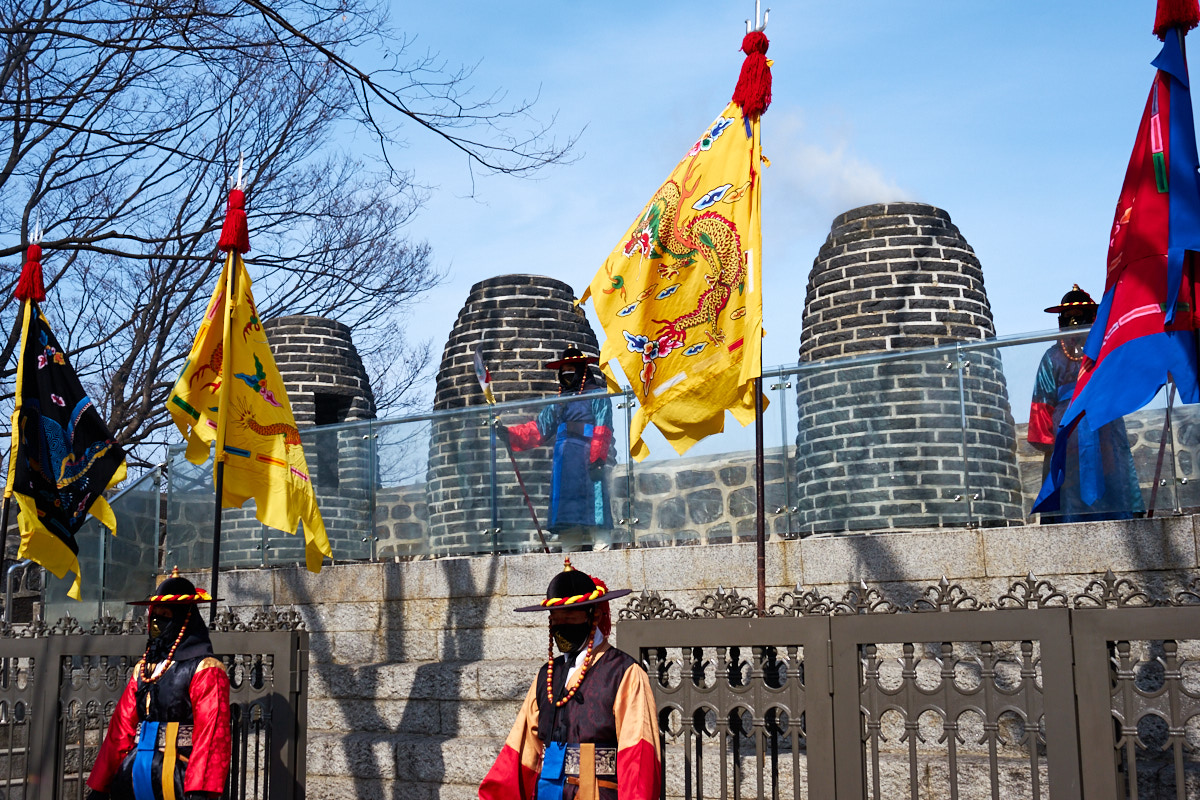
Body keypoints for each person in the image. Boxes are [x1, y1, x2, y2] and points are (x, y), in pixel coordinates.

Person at [479, 558, 661, 800]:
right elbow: (522, 748)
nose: (561, 626)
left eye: (570, 618)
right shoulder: (547, 675)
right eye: (555, 620)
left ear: (593, 616)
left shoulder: (624, 673)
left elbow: (638, 757)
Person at [86, 569, 231, 800]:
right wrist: (100, 786)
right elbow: (120, 728)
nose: (156, 622)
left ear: (183, 618)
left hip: (178, 777)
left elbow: (211, 734)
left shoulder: (206, 668)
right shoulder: (144, 669)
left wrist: (201, 790)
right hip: (133, 773)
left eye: (165, 615)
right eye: (154, 615)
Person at [1028, 285, 1145, 522]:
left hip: (1104, 428)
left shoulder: (1104, 351)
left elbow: (1120, 385)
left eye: (1078, 318)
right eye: (1068, 318)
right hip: (1067, 434)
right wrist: (1049, 443)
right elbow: (1042, 403)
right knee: (1069, 489)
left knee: (1111, 478)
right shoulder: (1052, 357)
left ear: (1091, 319)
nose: (1073, 324)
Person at [505, 347, 615, 550]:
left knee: (595, 513)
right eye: (563, 370)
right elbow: (538, 429)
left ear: (581, 370)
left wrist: (597, 459)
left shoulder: (598, 396)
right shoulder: (558, 403)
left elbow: (602, 428)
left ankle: (602, 564)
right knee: (568, 523)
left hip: (588, 462)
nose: (566, 374)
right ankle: (569, 568)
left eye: (571, 369)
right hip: (564, 466)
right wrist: (509, 433)